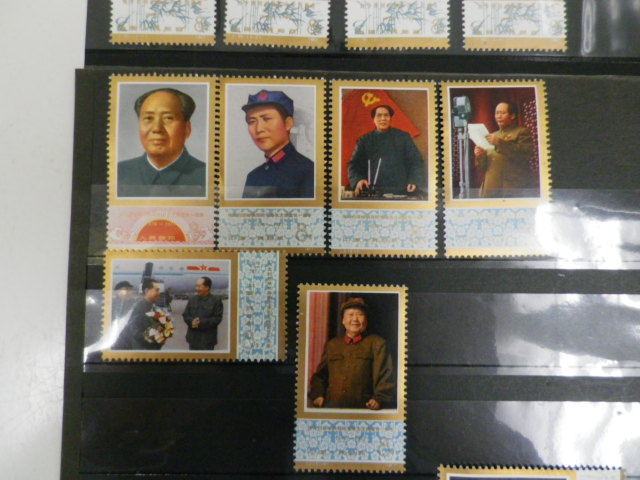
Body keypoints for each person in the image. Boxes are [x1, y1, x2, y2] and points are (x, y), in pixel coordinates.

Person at [117, 87, 206, 198]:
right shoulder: (119, 172)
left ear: (187, 129)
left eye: (168, 118)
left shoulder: (207, 176)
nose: (157, 128)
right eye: (148, 118)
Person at [309, 298, 395, 410]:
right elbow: (320, 376)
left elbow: (386, 376)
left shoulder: (378, 344)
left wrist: (379, 399)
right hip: (333, 407)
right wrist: (318, 395)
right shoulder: (332, 345)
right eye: (350, 315)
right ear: (343, 321)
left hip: (364, 409)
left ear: (366, 320)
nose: (355, 319)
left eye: (360, 315)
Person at [241, 89, 314, 198]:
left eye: (266, 119)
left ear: (288, 123)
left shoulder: (308, 170)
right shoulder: (253, 176)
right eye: (251, 121)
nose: (258, 129)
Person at [348, 105, 427, 197]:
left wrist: (414, 180)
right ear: (373, 119)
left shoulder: (403, 137)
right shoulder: (365, 140)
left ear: (390, 118)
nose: (383, 119)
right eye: (379, 115)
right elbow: (354, 165)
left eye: (386, 115)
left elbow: (416, 161)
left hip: (401, 190)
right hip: (373, 190)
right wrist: (359, 180)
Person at [473, 101, 535, 198]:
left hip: (510, 188)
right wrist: (480, 156)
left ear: (512, 116)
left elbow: (524, 156)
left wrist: (500, 143)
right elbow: (483, 167)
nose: (498, 116)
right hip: (490, 188)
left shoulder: (522, 132)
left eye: (502, 113)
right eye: (497, 113)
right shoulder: (493, 135)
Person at [123, 278, 168, 350]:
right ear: (147, 291)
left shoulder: (153, 307)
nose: (159, 293)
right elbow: (134, 330)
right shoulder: (138, 307)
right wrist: (150, 339)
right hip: (143, 349)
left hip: (152, 347)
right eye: (156, 290)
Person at [182, 276, 224, 350]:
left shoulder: (216, 300)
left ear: (207, 287)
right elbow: (186, 315)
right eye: (196, 286)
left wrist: (200, 322)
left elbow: (217, 318)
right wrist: (191, 321)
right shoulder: (192, 299)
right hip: (193, 339)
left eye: (199, 286)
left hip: (207, 340)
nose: (197, 288)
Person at [110, 280, 137, 350]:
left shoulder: (134, 303)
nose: (130, 292)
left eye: (130, 290)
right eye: (126, 289)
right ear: (118, 292)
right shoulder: (111, 304)